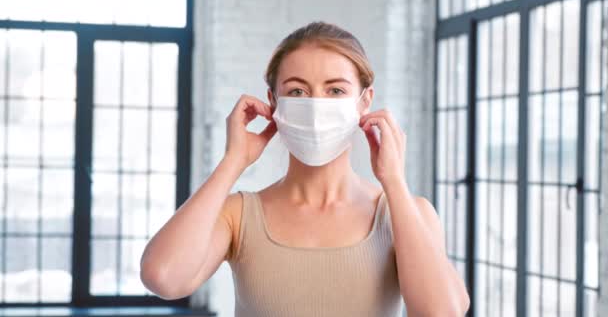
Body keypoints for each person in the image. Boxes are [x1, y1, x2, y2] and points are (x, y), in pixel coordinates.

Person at [140, 21, 470, 317]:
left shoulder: (407, 214)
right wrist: (233, 162)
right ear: (273, 102)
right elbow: (164, 277)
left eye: (336, 90)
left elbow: (441, 312)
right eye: (297, 91)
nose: (316, 106)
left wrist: (394, 182)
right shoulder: (238, 216)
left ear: (365, 101)